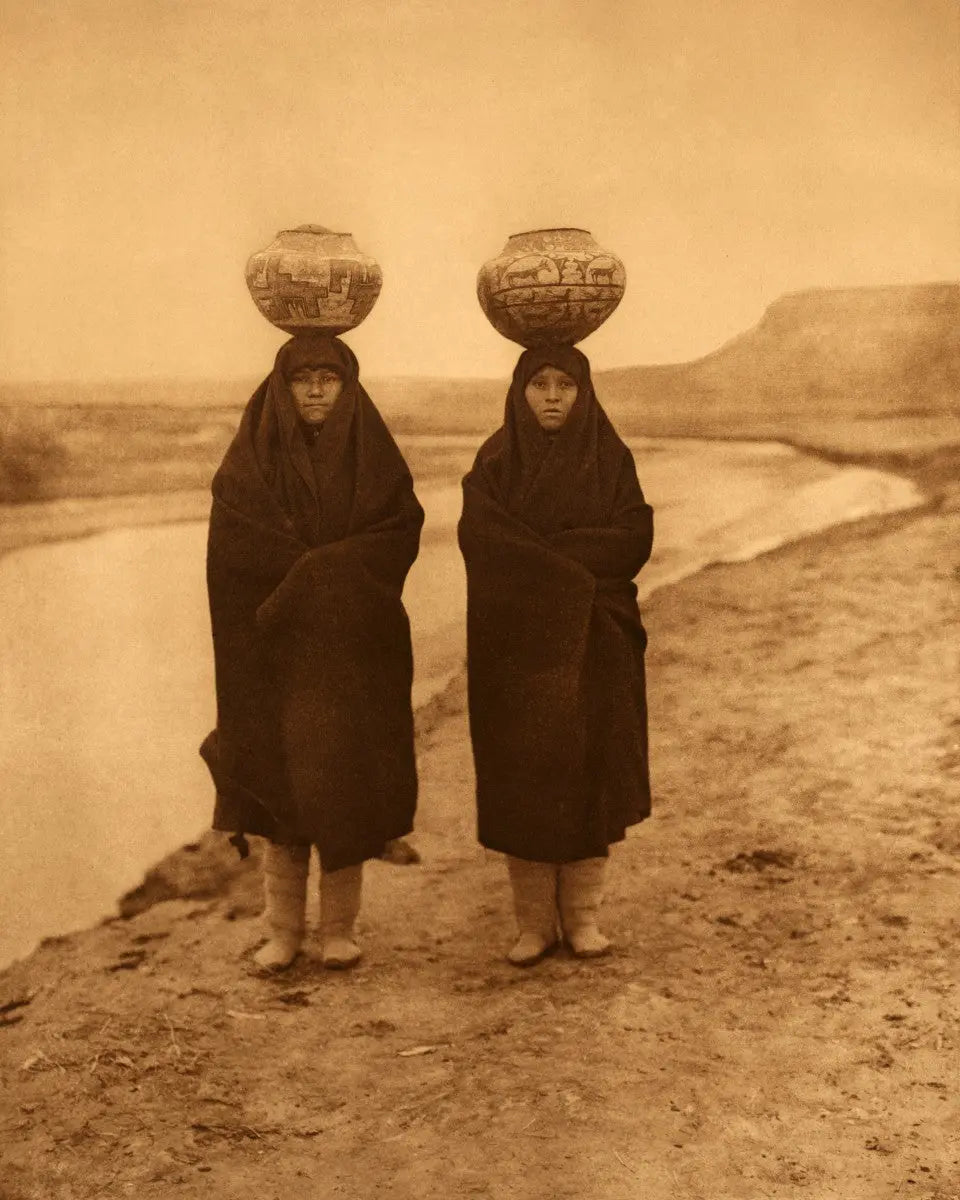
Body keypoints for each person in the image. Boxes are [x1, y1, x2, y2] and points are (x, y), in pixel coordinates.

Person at [201, 333, 424, 971]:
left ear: (348, 386)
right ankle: (282, 932)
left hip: (351, 652)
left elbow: (397, 532)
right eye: (304, 379)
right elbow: (234, 546)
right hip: (272, 654)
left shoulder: (374, 455)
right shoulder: (251, 458)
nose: (318, 390)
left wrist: (318, 573)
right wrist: (299, 581)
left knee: (344, 788)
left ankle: (339, 931)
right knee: (282, 795)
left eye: (330, 378)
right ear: (283, 387)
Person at [458, 344, 654, 965]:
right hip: (517, 649)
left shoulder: (610, 458)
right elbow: (484, 543)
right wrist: (571, 561)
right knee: (526, 777)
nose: (550, 396)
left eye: (563, 386)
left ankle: (584, 918)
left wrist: (544, 555)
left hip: (596, 642)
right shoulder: (494, 462)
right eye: (537, 385)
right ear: (518, 393)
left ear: (583, 393)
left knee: (589, 771)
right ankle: (533, 925)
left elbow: (632, 539)